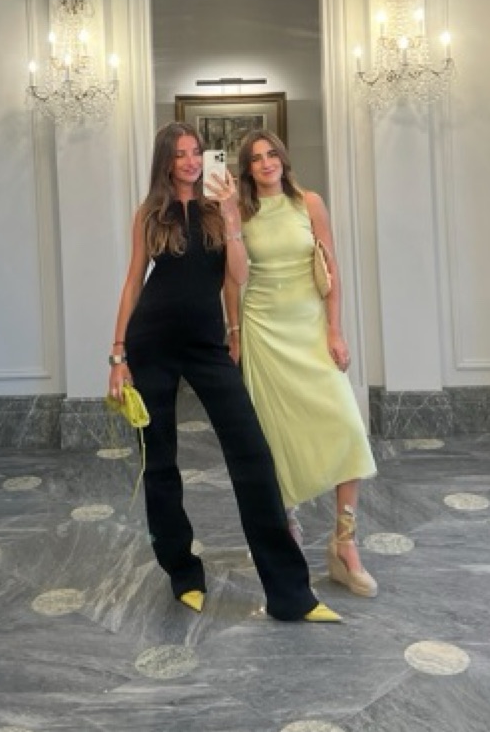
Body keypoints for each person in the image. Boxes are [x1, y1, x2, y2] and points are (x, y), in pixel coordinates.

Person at [107, 121, 341, 623]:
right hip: (151, 343)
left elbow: (239, 274)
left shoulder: (220, 209)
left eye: (197, 152)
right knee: (160, 462)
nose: (192, 161)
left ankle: (290, 594)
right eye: (180, 154)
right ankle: (183, 573)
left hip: (206, 346)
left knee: (252, 454)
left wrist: (232, 213)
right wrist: (118, 355)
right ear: (166, 161)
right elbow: (132, 283)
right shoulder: (149, 213)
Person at [225, 129, 379, 598]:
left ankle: (345, 544)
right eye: (256, 158)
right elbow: (233, 279)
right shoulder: (240, 212)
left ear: (283, 159)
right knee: (277, 438)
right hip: (264, 332)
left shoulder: (309, 203)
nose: (266, 163)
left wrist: (335, 329)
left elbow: (330, 269)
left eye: (272, 154)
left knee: (346, 426)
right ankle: (287, 533)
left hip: (310, 328)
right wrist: (234, 333)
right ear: (247, 169)